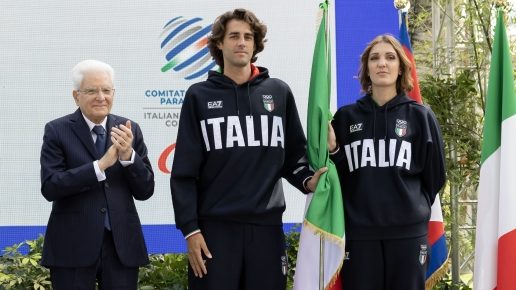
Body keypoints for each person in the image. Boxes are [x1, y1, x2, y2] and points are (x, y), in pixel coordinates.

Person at [170, 8, 326, 290]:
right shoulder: (198, 96)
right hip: (214, 230)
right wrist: (190, 230)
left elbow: (294, 156)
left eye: (247, 37)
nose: (241, 42)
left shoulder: (278, 92)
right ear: (219, 43)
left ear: (256, 44)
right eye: (233, 36)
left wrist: (307, 180)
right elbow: (183, 173)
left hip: (266, 230)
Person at [328, 34, 446, 290]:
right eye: (375, 58)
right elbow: (340, 178)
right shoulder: (346, 117)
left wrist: (409, 208)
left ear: (401, 67)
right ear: (366, 68)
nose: (382, 63)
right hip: (360, 236)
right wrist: (335, 151)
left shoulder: (421, 116)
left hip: (408, 234)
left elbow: (434, 176)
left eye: (390, 57)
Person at [40, 59, 155, 289]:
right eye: (92, 91)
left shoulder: (128, 129)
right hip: (72, 246)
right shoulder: (56, 130)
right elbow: (51, 186)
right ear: (76, 95)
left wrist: (128, 157)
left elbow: (145, 190)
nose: (101, 97)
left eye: (106, 90)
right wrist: (99, 166)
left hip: (120, 246)